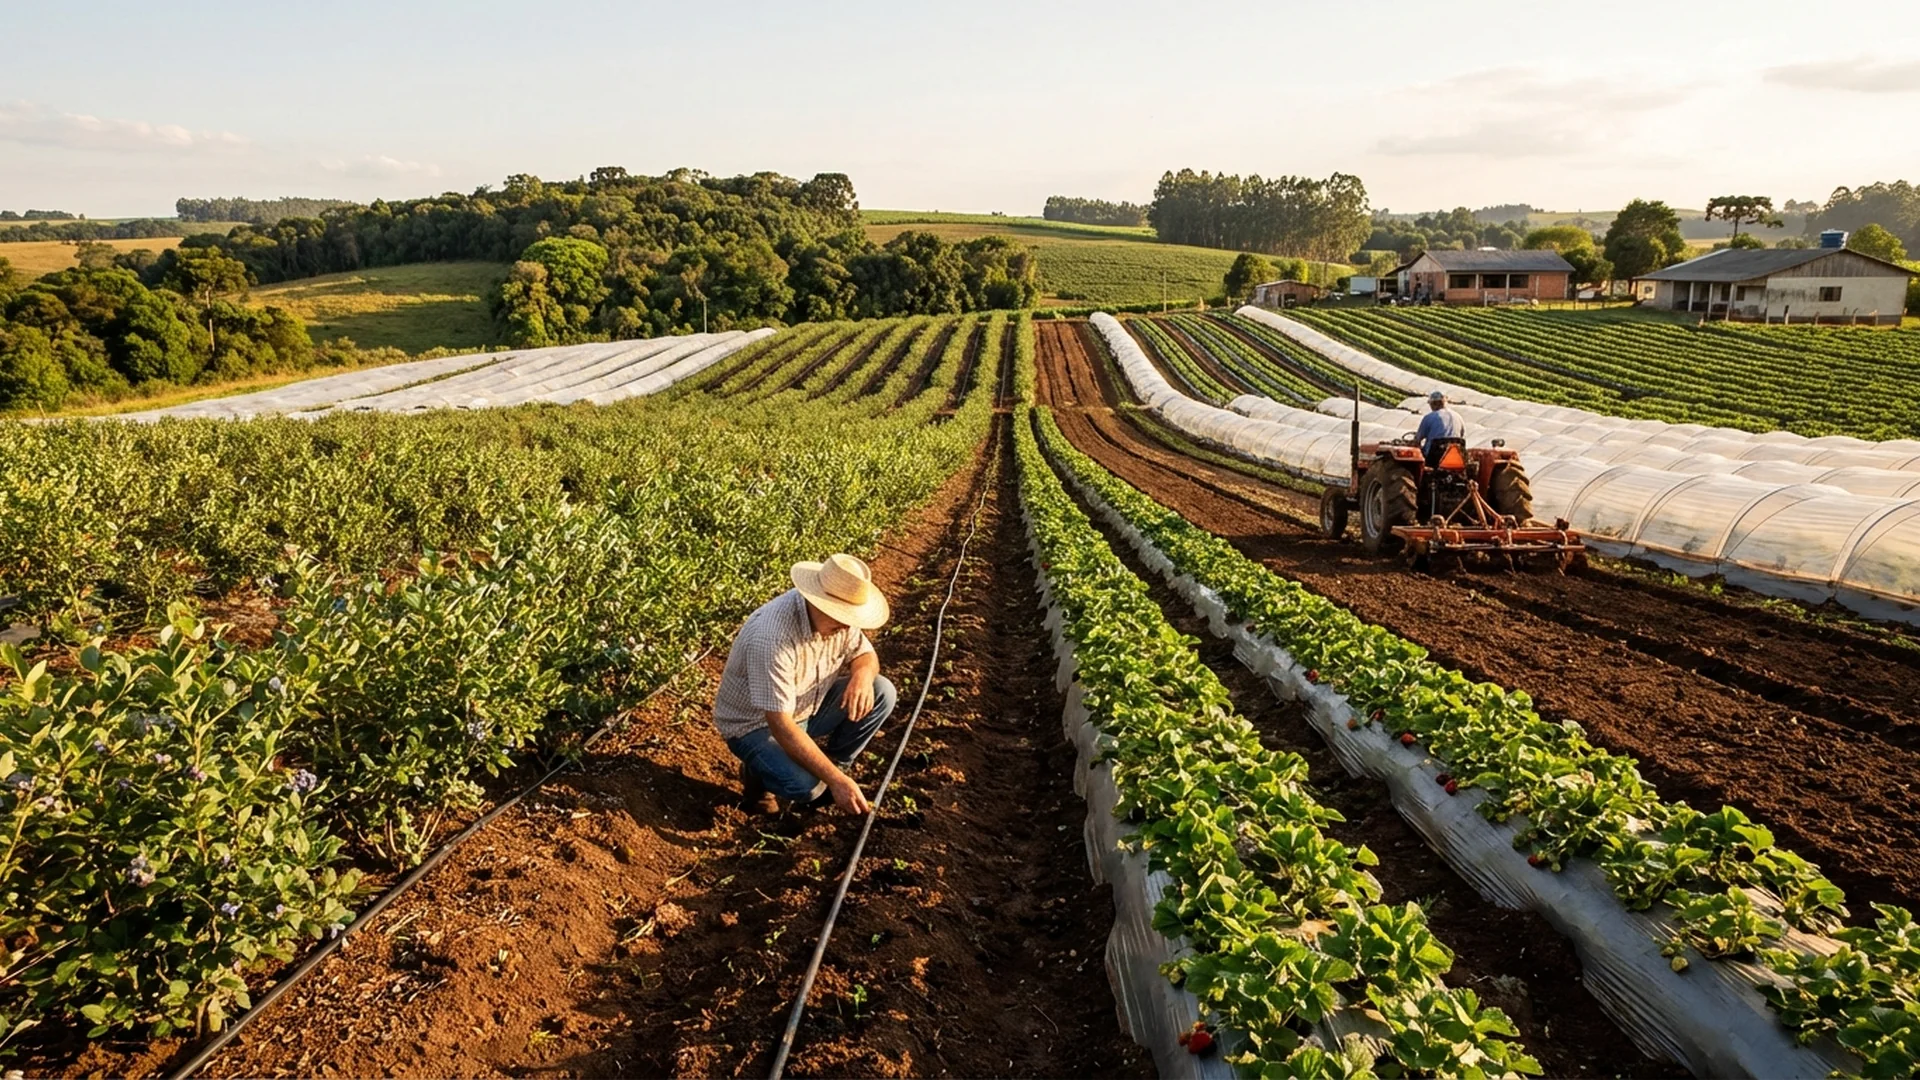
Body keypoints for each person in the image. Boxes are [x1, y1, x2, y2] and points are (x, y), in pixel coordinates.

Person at [711, 553, 897, 815]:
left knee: (882, 691)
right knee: (806, 786)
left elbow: (865, 655)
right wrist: (834, 782)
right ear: (816, 601)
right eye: (840, 617)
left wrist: (862, 676)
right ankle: (759, 775)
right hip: (756, 725)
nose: (846, 626)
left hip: (807, 706)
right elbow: (782, 726)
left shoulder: (838, 621)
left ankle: (833, 766)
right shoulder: (772, 637)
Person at [1415, 390, 1464, 466]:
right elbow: (1461, 435)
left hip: (1433, 457)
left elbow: (1417, 439)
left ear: (1434, 404)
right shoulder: (1458, 417)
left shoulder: (1429, 417)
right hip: (1455, 455)